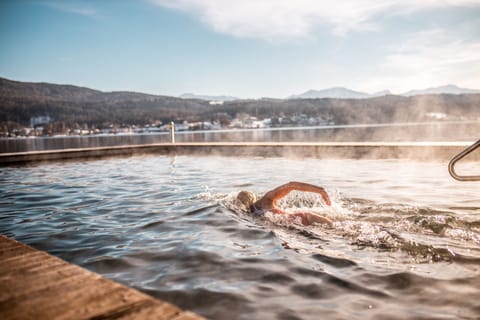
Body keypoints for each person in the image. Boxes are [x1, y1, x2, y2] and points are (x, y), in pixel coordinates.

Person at [237, 181, 332, 226]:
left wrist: (320, 190)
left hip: (300, 223)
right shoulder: (264, 201)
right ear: (253, 197)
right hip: (303, 219)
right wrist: (320, 190)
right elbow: (291, 185)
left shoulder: (250, 215)